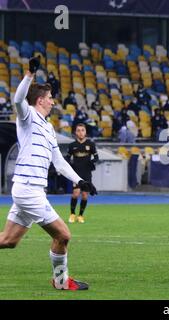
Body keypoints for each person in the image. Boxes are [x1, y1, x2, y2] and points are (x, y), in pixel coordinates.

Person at [0, 56, 97, 290]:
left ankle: (60, 280)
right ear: (40, 100)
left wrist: (80, 180)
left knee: (8, 241)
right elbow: (18, 99)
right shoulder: (28, 116)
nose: (53, 102)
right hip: (28, 190)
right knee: (63, 235)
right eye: (50, 98)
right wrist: (29, 74)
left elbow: (60, 162)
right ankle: (61, 282)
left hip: (31, 191)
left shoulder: (48, 127)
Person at [66, 123, 99, 224]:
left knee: (84, 195)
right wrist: (69, 165)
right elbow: (67, 158)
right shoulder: (72, 145)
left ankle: (80, 215)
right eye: (78, 130)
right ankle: (72, 214)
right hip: (76, 173)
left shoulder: (91, 144)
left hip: (87, 173)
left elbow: (96, 157)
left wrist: (92, 162)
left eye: (82, 130)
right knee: (75, 194)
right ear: (75, 132)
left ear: (85, 132)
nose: (80, 132)